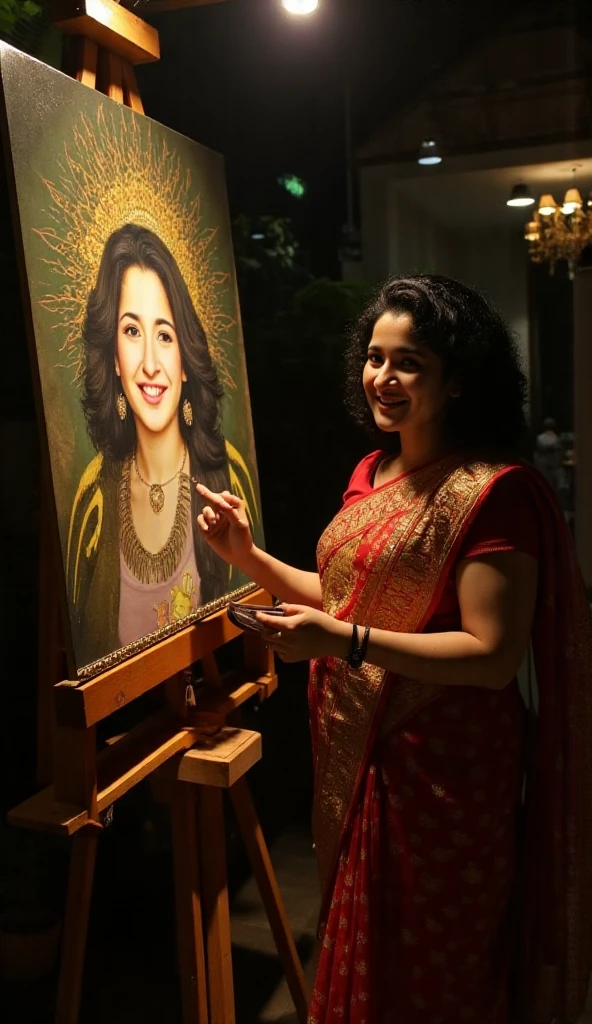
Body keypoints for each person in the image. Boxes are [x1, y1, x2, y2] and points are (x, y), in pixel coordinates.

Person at [195, 274, 592, 1024]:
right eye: (374, 358)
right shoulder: (369, 475)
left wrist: (341, 643)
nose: (383, 377)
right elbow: (345, 600)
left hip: (446, 775)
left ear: (458, 378)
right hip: (365, 758)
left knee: (435, 972)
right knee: (367, 952)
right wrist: (247, 556)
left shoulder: (492, 492)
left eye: (408, 362)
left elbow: (491, 653)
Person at [67, 223, 258, 668]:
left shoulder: (228, 479)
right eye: (132, 332)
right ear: (114, 356)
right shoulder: (92, 500)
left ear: (186, 359)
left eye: (165, 335)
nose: (151, 364)